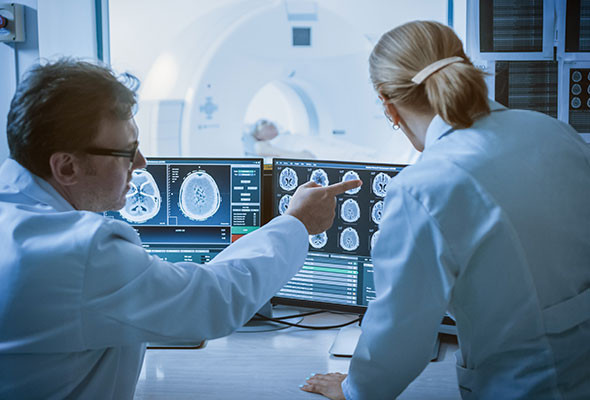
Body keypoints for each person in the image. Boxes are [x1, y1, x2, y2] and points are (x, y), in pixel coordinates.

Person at [0, 59, 361, 398]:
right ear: (66, 167)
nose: (141, 162)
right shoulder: (80, 250)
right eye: (127, 151)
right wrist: (297, 223)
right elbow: (214, 300)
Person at [301, 20, 590, 399]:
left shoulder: (424, 187)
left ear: (388, 105)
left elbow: (398, 334)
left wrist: (354, 390)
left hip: (525, 384)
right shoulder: (553, 131)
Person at [242, 118, 418, 164]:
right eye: (263, 124)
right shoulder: (267, 146)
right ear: (259, 135)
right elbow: (303, 157)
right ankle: (397, 162)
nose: (270, 124)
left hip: (316, 144)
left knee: (351, 149)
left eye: (268, 121)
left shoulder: (287, 135)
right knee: (347, 156)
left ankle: (395, 158)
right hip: (312, 152)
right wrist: (301, 156)